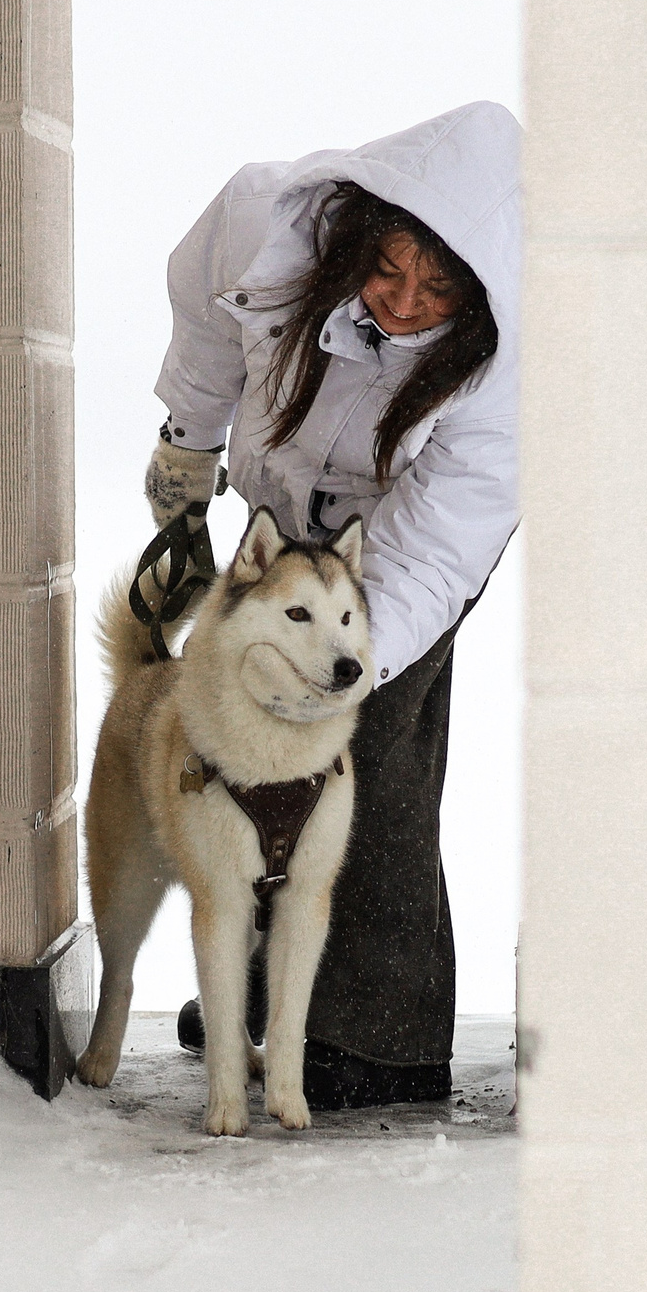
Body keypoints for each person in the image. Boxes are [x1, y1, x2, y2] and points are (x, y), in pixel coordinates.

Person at [144, 100, 520, 1110]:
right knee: (242, 737)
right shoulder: (267, 223)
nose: (402, 302)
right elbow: (209, 316)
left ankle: (379, 1035)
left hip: (399, 544)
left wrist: (346, 669)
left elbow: (436, 550)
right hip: (282, 514)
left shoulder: (504, 386)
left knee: (372, 752)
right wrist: (187, 436)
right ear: (360, 234)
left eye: (437, 291)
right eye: (389, 268)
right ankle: (272, 996)